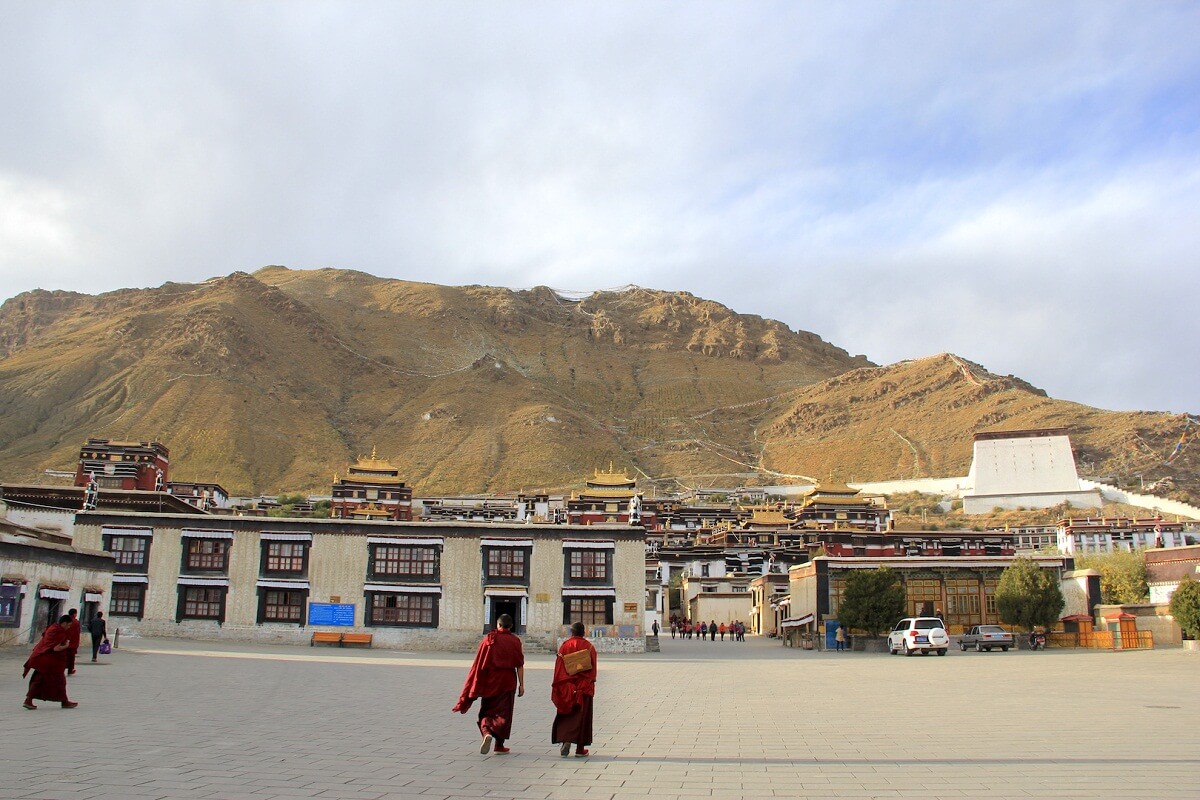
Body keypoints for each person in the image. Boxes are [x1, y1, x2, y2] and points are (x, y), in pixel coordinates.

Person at [453, 614, 525, 755]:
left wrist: (475, 682)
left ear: (498, 625)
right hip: (507, 681)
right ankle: (499, 745)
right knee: (504, 714)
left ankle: (487, 733)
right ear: (511, 626)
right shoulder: (515, 641)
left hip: (490, 681)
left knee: (488, 710)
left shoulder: (488, 640)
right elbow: (519, 665)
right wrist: (522, 685)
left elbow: (478, 664)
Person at [551, 621, 598, 758]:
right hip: (584, 687)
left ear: (571, 632)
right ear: (584, 632)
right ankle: (580, 749)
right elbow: (592, 671)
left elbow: (559, 669)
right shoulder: (589, 647)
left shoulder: (564, 646)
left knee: (568, 714)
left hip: (567, 687)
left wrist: (560, 686)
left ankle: (566, 740)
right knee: (583, 716)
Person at [22, 614, 78, 709]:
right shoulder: (58, 632)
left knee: (39, 680)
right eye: (68, 625)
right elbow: (56, 648)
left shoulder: (53, 628)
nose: (69, 627)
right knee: (56, 681)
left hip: (43, 659)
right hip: (48, 662)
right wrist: (66, 646)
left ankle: (63, 701)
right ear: (64, 623)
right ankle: (64, 702)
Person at [64, 608, 81, 675]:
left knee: (64, 656)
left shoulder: (65, 621)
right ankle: (70, 670)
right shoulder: (76, 622)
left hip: (64, 641)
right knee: (71, 657)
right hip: (73, 642)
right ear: (74, 614)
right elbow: (77, 633)